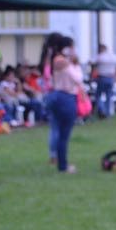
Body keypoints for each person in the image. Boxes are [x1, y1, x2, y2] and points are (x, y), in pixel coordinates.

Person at [45, 37, 82, 173]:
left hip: (56, 96)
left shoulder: (58, 60)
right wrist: (76, 64)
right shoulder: (63, 62)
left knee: (57, 130)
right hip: (66, 97)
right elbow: (78, 78)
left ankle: (59, 160)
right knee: (63, 134)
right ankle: (63, 165)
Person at [92, 44, 116, 118]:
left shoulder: (100, 57)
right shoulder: (113, 57)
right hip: (111, 78)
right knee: (108, 96)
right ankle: (108, 113)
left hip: (102, 77)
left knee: (98, 95)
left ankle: (102, 110)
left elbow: (94, 65)